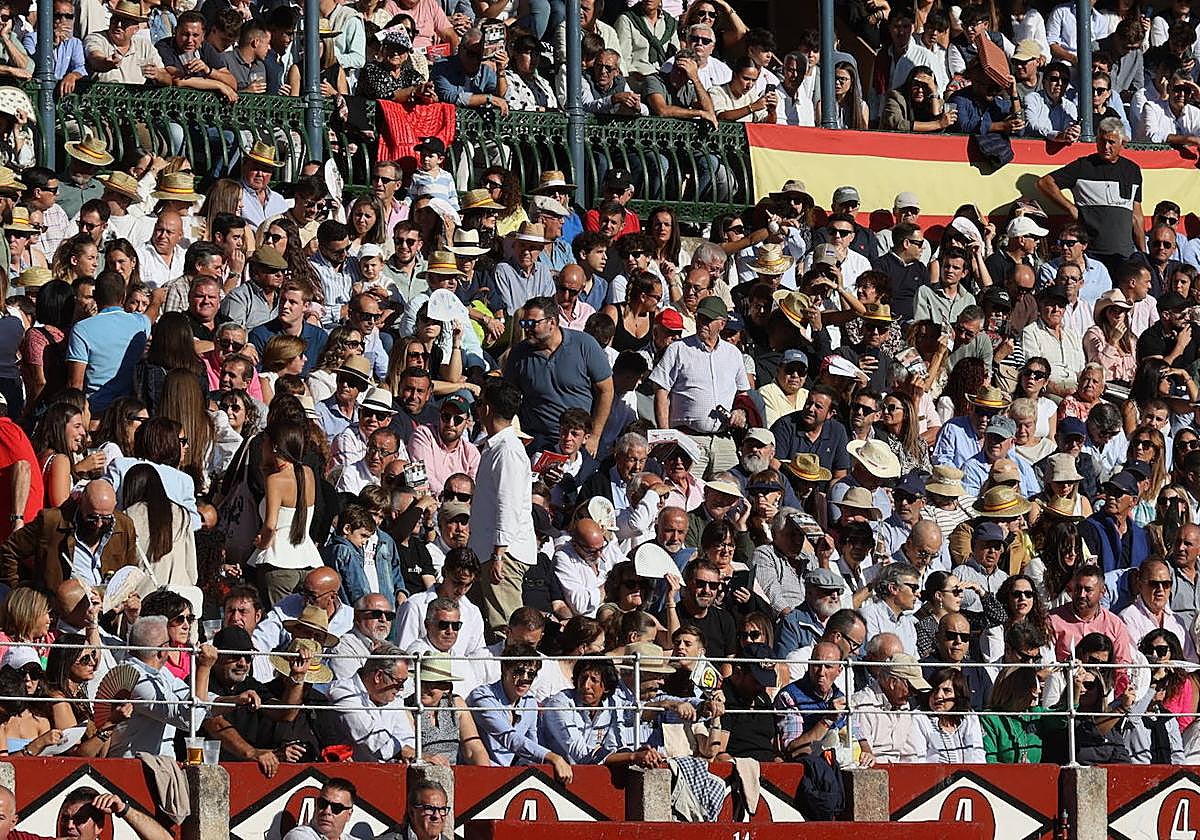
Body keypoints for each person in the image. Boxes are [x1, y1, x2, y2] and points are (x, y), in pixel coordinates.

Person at [469, 379, 536, 637]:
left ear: (486, 408)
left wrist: (499, 554)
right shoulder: (497, 447)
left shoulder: (507, 450)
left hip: (502, 554)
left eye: (479, 403)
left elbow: (508, 505)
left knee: (507, 629)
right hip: (489, 552)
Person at [1036, 117, 1145, 273]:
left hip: (1124, 255)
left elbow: (1137, 216)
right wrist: (1070, 208)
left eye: (1111, 142)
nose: (1106, 147)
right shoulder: (1082, 166)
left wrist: (1143, 253)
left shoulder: (1132, 170)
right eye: (1101, 141)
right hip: (1091, 255)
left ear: (1123, 143)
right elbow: (1044, 183)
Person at [107, 615, 213, 757]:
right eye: (169, 643)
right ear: (163, 650)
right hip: (137, 766)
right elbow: (191, 720)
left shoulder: (159, 671)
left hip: (157, 763)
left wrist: (234, 700)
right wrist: (204, 669)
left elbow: (187, 694)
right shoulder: (135, 679)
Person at [467, 644, 573, 780]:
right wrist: (552, 757)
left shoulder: (530, 702)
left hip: (511, 776)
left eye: (531, 674)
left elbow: (533, 742)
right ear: (504, 669)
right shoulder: (481, 697)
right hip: (479, 775)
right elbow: (509, 738)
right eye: (518, 671)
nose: (524, 679)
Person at [64, 271, 150, 414]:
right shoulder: (141, 323)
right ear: (124, 296)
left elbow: (75, 384)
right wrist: (157, 300)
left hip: (96, 412)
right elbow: (151, 314)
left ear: (95, 295)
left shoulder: (81, 329)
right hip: (129, 413)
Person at [329, 643, 416, 762]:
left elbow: (407, 738)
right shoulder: (343, 692)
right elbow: (371, 740)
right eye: (399, 682)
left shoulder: (393, 696)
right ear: (378, 676)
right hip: (347, 770)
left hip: (389, 768)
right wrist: (402, 752)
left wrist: (405, 753)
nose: (401, 688)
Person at [282, 779, 359, 840]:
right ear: (316, 805)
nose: (327, 811)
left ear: (349, 815)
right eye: (323, 803)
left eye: (336, 807)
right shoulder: (299, 836)